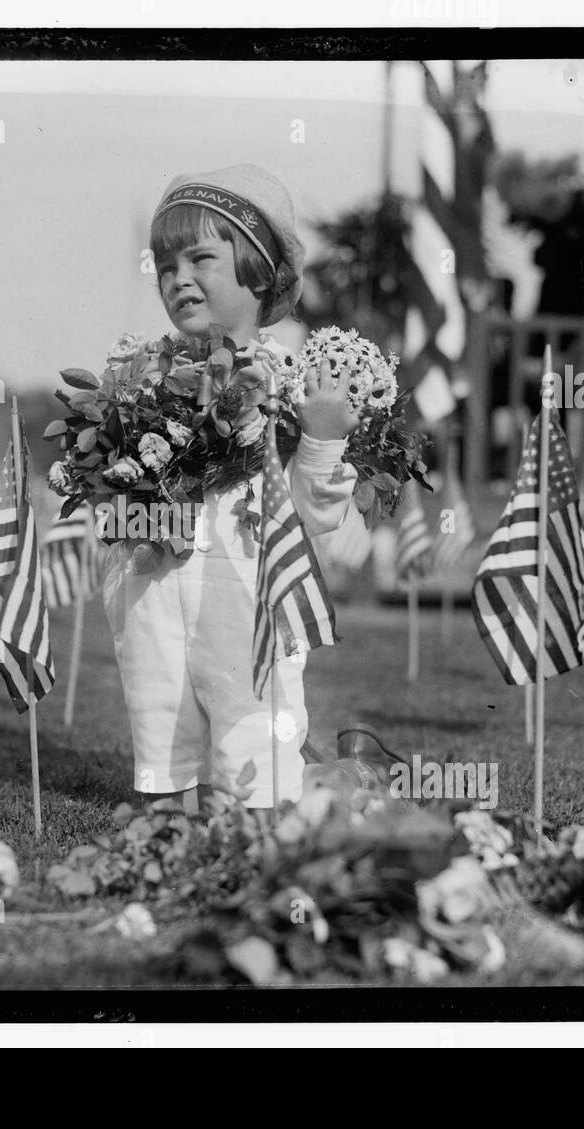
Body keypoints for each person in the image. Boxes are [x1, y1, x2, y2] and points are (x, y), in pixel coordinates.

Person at [100, 164, 362, 812]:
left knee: (255, 738)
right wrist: (135, 521)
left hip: (247, 600)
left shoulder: (294, 385)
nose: (177, 277)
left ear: (259, 271)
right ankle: (170, 807)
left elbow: (319, 522)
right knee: (162, 718)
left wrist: (324, 440)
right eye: (164, 264)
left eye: (199, 258)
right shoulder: (138, 385)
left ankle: (259, 812)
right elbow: (107, 513)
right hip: (156, 596)